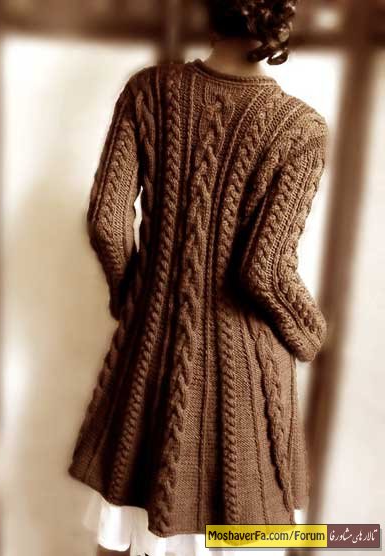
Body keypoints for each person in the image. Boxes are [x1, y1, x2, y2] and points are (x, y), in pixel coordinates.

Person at [67, 0, 330, 555]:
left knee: (127, 534)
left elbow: (108, 222)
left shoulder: (148, 91)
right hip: (244, 385)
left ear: (211, 14)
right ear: (281, 22)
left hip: (149, 363)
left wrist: (137, 300)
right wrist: (310, 334)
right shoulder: (300, 129)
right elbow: (264, 271)